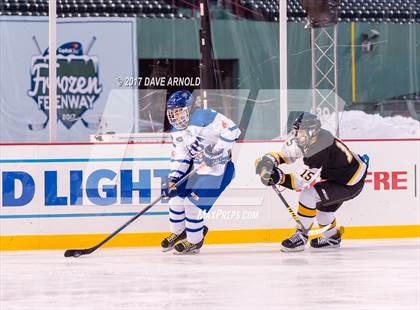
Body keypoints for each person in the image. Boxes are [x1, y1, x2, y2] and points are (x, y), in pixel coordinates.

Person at [255, 112, 369, 252]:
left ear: (312, 131)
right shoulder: (310, 138)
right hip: (340, 177)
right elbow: (287, 154)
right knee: (323, 211)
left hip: (350, 182)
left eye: (301, 132)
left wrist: (278, 177)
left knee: (308, 195)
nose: (297, 135)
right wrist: (269, 161)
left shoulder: (319, 148)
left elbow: (299, 182)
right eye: (296, 131)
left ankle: (301, 236)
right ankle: (332, 238)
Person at [161, 90, 241, 255]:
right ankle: (180, 231)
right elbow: (182, 155)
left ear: (189, 108)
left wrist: (217, 151)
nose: (176, 117)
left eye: (178, 111)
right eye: (172, 113)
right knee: (174, 196)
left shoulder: (205, 116)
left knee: (191, 205)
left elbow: (233, 130)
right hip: (198, 168)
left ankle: (194, 241)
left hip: (219, 169)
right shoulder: (176, 130)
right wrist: (173, 178)